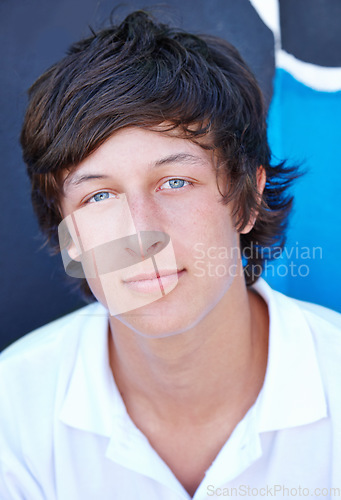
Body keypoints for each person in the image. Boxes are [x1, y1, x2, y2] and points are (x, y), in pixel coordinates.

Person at [0, 10, 340, 500]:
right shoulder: (15, 409)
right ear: (70, 237)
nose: (141, 233)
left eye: (175, 182)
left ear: (248, 200)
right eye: (99, 196)